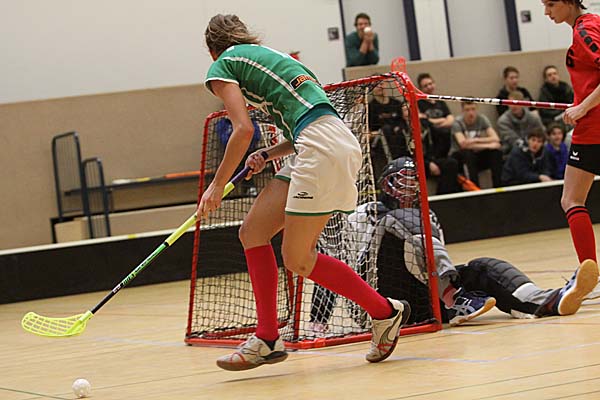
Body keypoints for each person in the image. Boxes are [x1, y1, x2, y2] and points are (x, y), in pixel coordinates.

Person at [201, 14, 410, 371]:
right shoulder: (275, 58)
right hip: (323, 142)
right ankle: (268, 337)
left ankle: (384, 312)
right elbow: (312, 121)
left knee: (297, 258)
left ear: (212, 50)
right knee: (253, 232)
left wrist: (216, 186)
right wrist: (269, 154)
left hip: (319, 149)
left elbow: (242, 129)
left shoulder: (222, 65)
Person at [309, 157, 496, 331]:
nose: (409, 186)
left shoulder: (428, 216)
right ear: (386, 183)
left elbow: (435, 262)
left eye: (413, 180)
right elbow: (337, 263)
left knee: (485, 269)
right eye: (402, 180)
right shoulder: (364, 213)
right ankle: (453, 298)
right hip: (375, 298)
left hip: (420, 301)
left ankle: (513, 300)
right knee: (402, 218)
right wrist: (318, 319)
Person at [542, 0, 600, 284]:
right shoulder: (591, 24)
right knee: (572, 199)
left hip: (594, 128)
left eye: (551, 4)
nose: (546, 12)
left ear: (568, 2)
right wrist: (579, 103)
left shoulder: (585, 30)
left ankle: (591, 276)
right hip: (591, 124)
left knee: (572, 199)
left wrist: (582, 108)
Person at [450, 101, 504, 187]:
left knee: (496, 153)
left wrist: (474, 140)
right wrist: (489, 145)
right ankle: (474, 188)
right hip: (460, 156)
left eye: (473, 109)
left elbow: (496, 138)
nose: (471, 113)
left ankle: (498, 187)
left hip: (477, 153)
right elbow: (463, 144)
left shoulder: (482, 119)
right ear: (462, 111)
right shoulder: (457, 123)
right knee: (468, 154)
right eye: (467, 110)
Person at [368, 80, 408, 177]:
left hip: (399, 138)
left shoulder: (396, 103)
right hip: (380, 141)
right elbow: (368, 133)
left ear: (386, 85)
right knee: (386, 130)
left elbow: (403, 123)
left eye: (381, 83)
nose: (380, 86)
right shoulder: (370, 107)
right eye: (376, 85)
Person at [417, 74, 455, 162]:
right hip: (431, 142)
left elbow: (451, 120)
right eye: (425, 86)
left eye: (430, 84)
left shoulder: (440, 102)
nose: (429, 87)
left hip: (446, 140)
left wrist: (433, 123)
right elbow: (423, 121)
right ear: (421, 89)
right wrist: (442, 120)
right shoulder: (419, 103)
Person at [497, 91, 545, 157]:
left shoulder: (534, 117)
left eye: (516, 103)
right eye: (510, 103)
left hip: (536, 150)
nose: (513, 106)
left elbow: (542, 134)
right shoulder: (503, 121)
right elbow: (513, 141)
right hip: (511, 152)